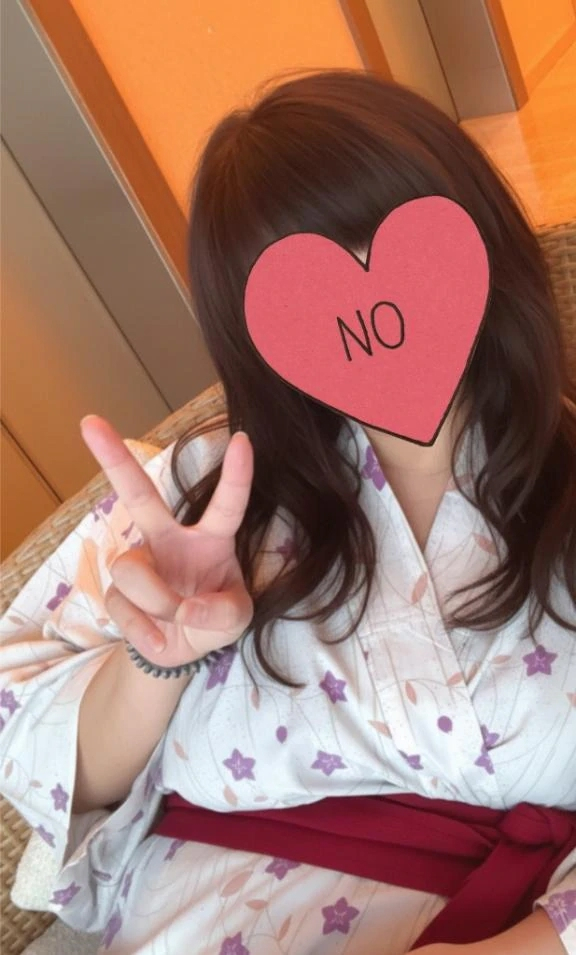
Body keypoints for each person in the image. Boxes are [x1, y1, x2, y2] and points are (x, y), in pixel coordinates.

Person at [1, 69, 575, 955]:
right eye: (313, 289)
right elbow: (33, 740)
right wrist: (154, 665)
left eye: (392, 247)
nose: (372, 307)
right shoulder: (197, 494)